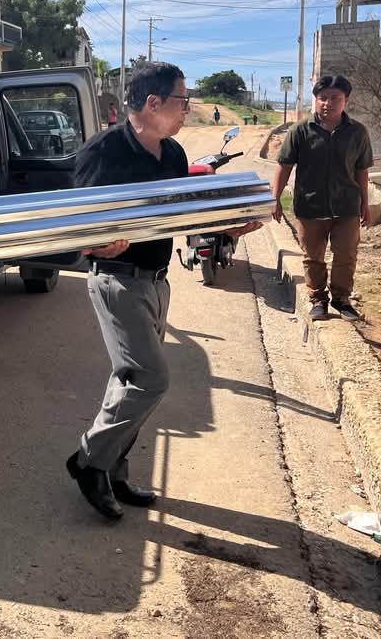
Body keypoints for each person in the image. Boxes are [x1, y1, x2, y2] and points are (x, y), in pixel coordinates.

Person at [66, 61, 257, 520]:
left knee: (127, 381)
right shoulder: (103, 152)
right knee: (150, 379)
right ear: (153, 103)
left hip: (156, 280)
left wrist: (227, 227)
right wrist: (95, 244)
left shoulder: (171, 154)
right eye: (182, 100)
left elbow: (180, 214)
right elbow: (75, 222)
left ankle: (113, 470)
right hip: (116, 280)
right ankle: (89, 461)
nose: (187, 109)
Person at [273, 74, 373, 322]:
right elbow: (284, 166)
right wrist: (275, 198)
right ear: (315, 100)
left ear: (346, 100)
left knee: (346, 255)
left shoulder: (357, 132)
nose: (328, 103)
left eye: (335, 98)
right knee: (313, 257)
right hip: (310, 207)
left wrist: (365, 203)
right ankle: (318, 299)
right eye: (323, 98)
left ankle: (342, 299)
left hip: (346, 207)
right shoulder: (300, 131)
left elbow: (361, 170)